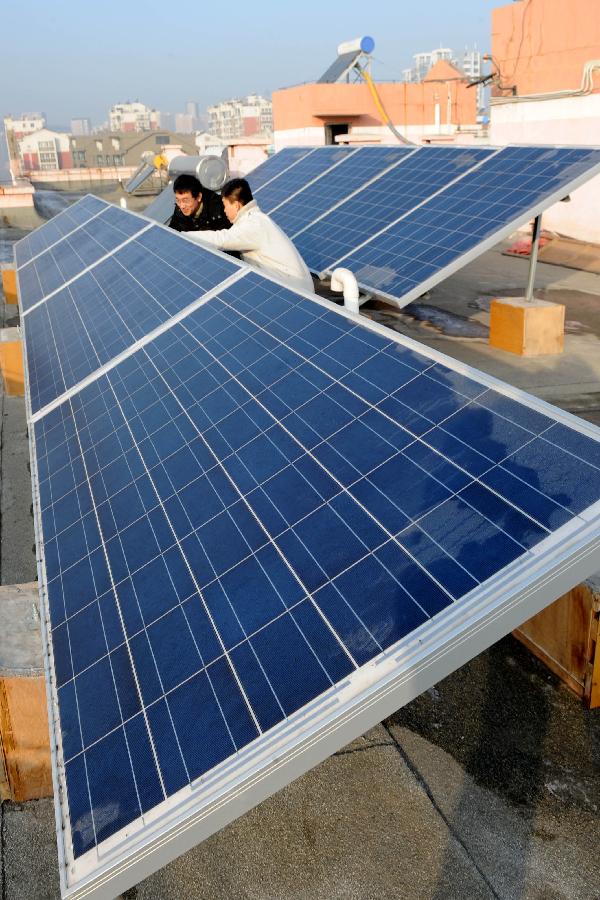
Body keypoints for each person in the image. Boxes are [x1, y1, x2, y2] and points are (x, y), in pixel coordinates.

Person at [186, 178, 314, 294]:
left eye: (225, 206)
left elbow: (222, 239)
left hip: (296, 292)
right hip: (291, 287)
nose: (224, 211)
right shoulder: (254, 220)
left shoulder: (254, 224)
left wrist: (183, 237)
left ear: (236, 205)